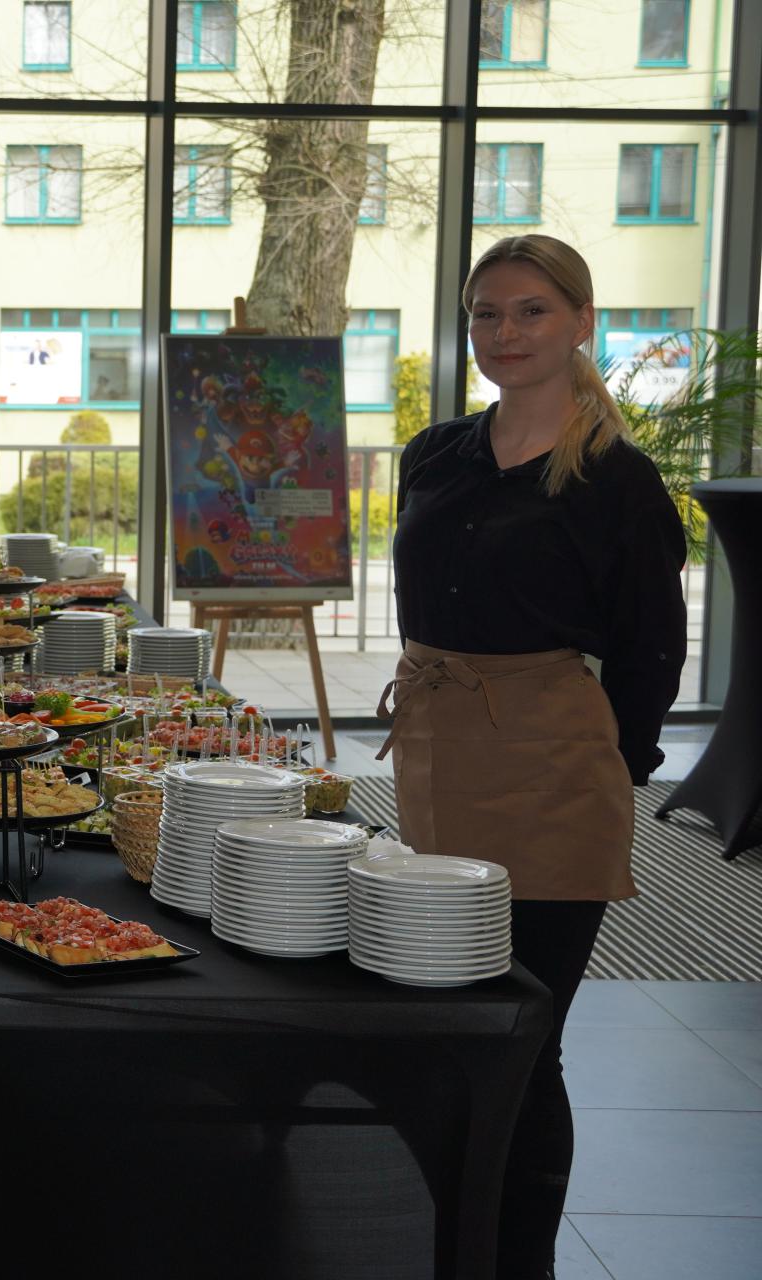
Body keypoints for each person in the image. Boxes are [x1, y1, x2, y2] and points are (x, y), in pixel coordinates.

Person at [382, 234, 685, 1279]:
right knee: (440, 1021)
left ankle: (517, 1262)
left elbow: (650, 652)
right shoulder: (436, 453)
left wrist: (610, 770)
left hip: (552, 768)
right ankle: (445, 1236)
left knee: (521, 1035)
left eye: (531, 311)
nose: (504, 333)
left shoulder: (617, 480)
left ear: (581, 322)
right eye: (486, 313)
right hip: (436, 754)